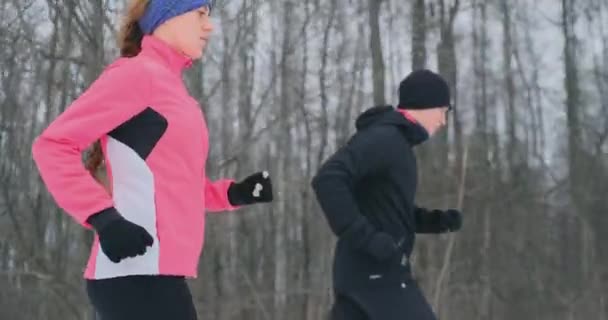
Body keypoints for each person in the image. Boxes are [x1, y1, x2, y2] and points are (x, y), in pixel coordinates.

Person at [31, 1, 273, 319]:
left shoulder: (174, 90)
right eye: (200, 14)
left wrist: (233, 193)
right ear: (167, 16)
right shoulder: (137, 75)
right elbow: (53, 145)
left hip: (157, 273)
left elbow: (173, 185)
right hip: (133, 272)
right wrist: (104, 218)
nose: (209, 27)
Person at [311, 69, 463, 320]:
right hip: (376, 272)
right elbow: (328, 179)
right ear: (424, 105)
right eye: (442, 111)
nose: (442, 121)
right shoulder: (385, 139)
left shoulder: (397, 144)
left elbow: (384, 208)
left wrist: (434, 220)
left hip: (363, 271)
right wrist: (369, 240)